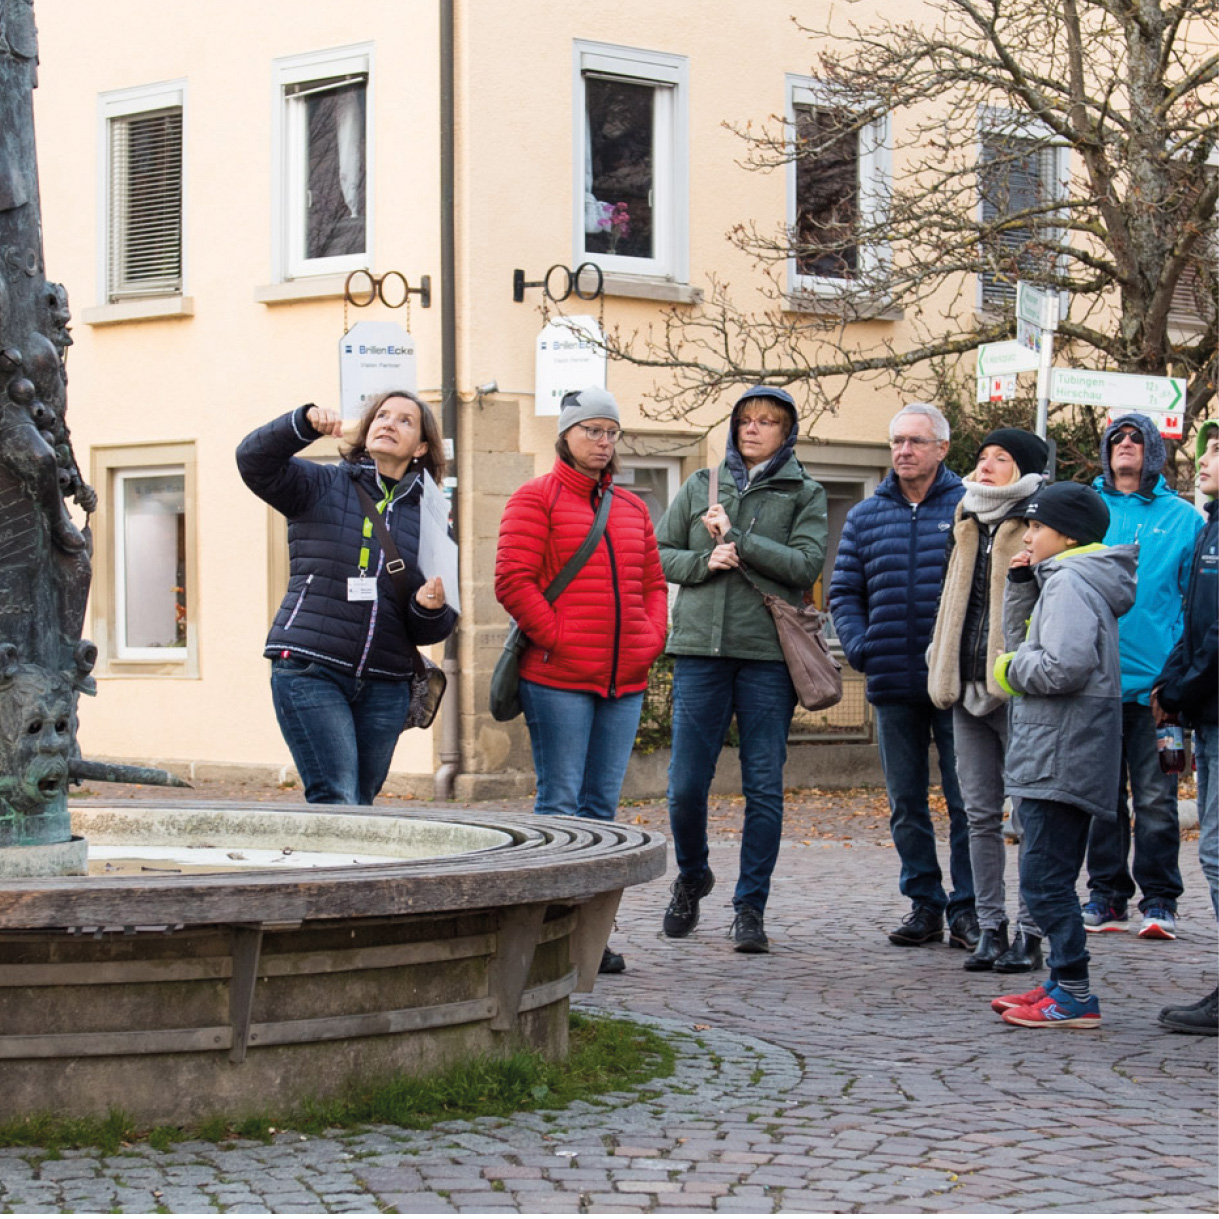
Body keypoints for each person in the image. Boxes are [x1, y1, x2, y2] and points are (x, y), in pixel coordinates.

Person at [495, 387, 668, 974]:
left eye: (610, 432)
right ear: (565, 435)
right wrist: (563, 639)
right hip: (559, 678)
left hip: (624, 680)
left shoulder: (633, 507)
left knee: (601, 809)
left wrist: (651, 639)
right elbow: (513, 582)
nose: (602, 441)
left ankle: (592, 935)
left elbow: (653, 585)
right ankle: (551, 932)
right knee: (562, 804)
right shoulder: (534, 499)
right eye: (591, 430)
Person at [657, 387, 827, 953]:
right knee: (684, 786)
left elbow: (805, 565)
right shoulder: (700, 485)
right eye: (745, 421)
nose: (752, 429)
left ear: (787, 433)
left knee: (763, 787)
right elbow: (657, 554)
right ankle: (693, 874)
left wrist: (741, 540)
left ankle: (749, 906)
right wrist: (705, 561)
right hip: (701, 652)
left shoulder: (805, 492)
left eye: (766, 422)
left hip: (768, 658)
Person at [236, 393, 457, 805]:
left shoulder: (431, 515)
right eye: (382, 416)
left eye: (405, 421)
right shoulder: (321, 484)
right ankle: (331, 872)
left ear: (422, 447)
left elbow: (434, 626)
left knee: (362, 800)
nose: (389, 423)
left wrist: (430, 608)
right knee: (337, 796)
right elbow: (253, 461)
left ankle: (342, 871)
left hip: (386, 682)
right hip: (310, 669)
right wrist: (299, 424)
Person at [990, 482, 1137, 1028]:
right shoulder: (1061, 580)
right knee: (1045, 870)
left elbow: (1060, 666)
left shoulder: (1073, 581)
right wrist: (1023, 583)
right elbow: (1027, 640)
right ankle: (1058, 983)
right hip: (1054, 746)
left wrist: (1007, 672)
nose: (1027, 536)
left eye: (1036, 527)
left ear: (1067, 534)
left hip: (1061, 749)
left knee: (1043, 877)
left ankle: (1074, 992)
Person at [830, 403, 976, 951]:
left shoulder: (969, 507)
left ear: (942, 448)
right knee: (906, 802)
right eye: (896, 442)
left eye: (915, 441)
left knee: (967, 803)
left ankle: (968, 909)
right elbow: (845, 591)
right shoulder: (867, 515)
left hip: (955, 681)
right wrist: (862, 645)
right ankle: (924, 903)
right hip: (891, 680)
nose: (903, 451)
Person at [927, 428, 1048, 972]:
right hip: (965, 684)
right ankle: (990, 926)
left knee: (1029, 817)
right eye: (982, 457)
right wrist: (939, 653)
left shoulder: (1041, 522)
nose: (988, 465)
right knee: (978, 814)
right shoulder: (966, 519)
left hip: (1018, 689)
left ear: (1022, 469)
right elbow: (951, 598)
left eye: (1002, 458)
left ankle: (1032, 930)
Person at [1083, 414, 1204, 938]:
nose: (1125, 445)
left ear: (1153, 451)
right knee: (1101, 799)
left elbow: (1195, 602)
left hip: (1157, 688)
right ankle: (1107, 896)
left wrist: (1179, 677)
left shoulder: (1185, 519)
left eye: (1135, 439)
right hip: (1093, 682)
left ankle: (1160, 899)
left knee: (1156, 801)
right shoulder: (1087, 509)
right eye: (1117, 439)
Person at [1154, 419, 1218, 1034]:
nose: (1204, 457)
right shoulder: (1210, 527)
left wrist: (1179, 687)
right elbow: (1192, 621)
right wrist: (1171, 683)